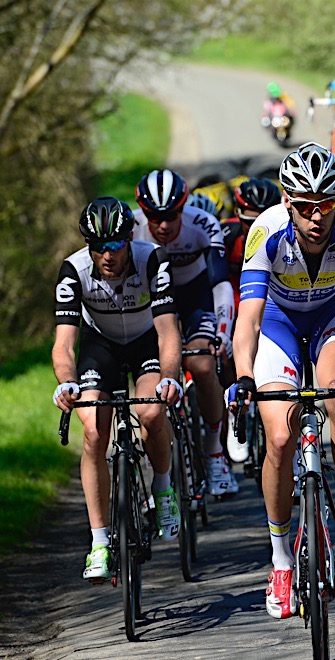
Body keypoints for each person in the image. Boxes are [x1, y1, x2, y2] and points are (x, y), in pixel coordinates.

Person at [229, 142, 335, 619]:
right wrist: (243, 376)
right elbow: (248, 319)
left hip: (331, 316)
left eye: (326, 205)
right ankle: (280, 560)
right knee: (279, 437)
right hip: (278, 322)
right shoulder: (266, 231)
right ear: (287, 202)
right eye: (304, 207)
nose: (316, 217)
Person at [51, 196, 183, 583]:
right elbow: (64, 344)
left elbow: (168, 331)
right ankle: (99, 543)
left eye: (114, 245)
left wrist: (170, 376)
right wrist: (67, 382)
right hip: (100, 348)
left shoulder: (152, 259)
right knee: (94, 430)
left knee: (152, 411)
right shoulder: (73, 270)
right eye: (98, 246)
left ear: (130, 239)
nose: (107, 255)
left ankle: (163, 490)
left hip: (145, 343)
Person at [132, 168, 239, 497]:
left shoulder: (203, 224)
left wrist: (223, 333)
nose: (163, 225)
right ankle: (156, 462)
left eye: (171, 216)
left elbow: (220, 284)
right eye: (154, 217)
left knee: (203, 365)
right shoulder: (132, 227)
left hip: (194, 297)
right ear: (143, 212)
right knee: (148, 378)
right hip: (151, 303)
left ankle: (215, 453)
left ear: (183, 208)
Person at [219, 177, 283, 463]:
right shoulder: (227, 236)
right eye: (250, 221)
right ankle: (236, 409)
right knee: (228, 349)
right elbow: (217, 284)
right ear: (237, 215)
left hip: (271, 301)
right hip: (235, 300)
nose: (259, 227)